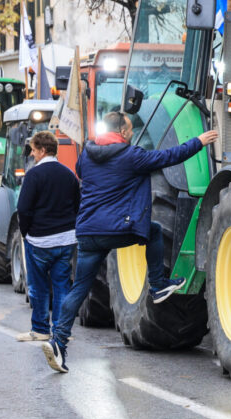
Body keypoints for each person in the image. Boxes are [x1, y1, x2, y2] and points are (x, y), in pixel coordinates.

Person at [42, 111, 217, 372]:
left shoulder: (87, 154)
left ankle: (58, 341)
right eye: (130, 129)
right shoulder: (131, 155)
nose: (132, 133)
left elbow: (80, 172)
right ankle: (157, 285)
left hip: (88, 232)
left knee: (78, 288)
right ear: (122, 132)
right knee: (154, 231)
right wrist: (199, 141)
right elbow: (169, 157)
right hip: (117, 228)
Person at [16, 131, 79, 342]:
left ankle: (41, 330)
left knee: (39, 286)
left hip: (39, 240)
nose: (32, 155)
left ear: (42, 150)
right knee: (62, 285)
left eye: (34, 150)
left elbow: (23, 208)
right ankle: (61, 331)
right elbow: (78, 205)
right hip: (66, 239)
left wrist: (25, 233)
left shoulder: (34, 175)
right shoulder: (69, 174)